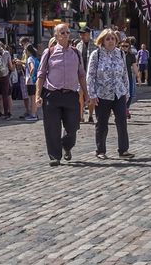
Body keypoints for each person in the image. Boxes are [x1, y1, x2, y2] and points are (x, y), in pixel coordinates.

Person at [34, 24, 88, 166]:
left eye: (67, 32)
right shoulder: (49, 52)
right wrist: (38, 95)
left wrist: (86, 94)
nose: (66, 35)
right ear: (56, 36)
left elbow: (81, 75)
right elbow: (41, 74)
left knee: (73, 127)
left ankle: (66, 145)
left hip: (71, 95)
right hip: (52, 95)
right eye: (62, 32)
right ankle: (55, 156)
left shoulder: (76, 53)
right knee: (52, 127)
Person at [87, 28, 133, 160]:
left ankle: (123, 150)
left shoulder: (121, 53)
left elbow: (124, 73)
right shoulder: (96, 54)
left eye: (113, 39)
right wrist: (92, 94)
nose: (111, 41)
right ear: (102, 41)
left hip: (119, 93)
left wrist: (127, 92)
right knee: (102, 123)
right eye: (108, 39)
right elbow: (90, 75)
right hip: (102, 94)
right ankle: (100, 150)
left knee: (122, 121)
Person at [23, 46, 41, 121]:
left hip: (31, 81)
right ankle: (35, 113)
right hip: (36, 80)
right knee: (34, 98)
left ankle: (33, 115)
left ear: (28, 51)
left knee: (32, 98)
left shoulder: (30, 58)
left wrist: (30, 77)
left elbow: (32, 68)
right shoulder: (35, 58)